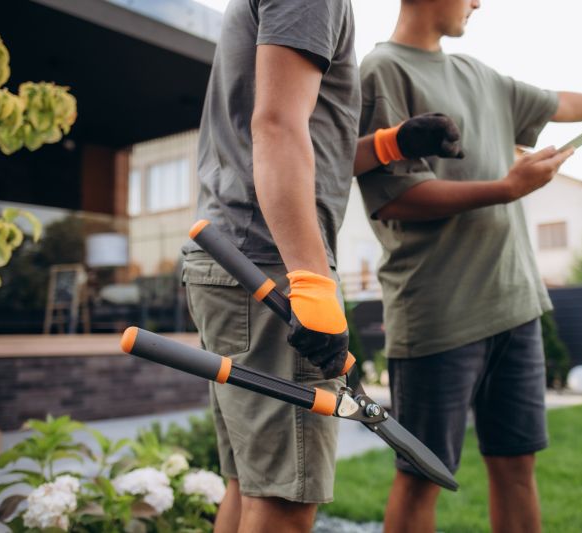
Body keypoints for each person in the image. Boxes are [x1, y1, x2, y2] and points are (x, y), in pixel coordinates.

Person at [356, 1, 582, 532]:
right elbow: (393, 198)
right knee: (421, 475)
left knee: (516, 466)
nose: (478, 3)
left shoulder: (478, 74)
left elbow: (559, 102)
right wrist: (507, 189)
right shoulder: (381, 72)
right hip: (439, 313)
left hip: (516, 305)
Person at [180, 1, 463, 531]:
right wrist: (311, 280)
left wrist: (388, 144)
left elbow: (294, 134)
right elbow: (277, 127)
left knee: (251, 484)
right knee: (284, 502)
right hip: (268, 262)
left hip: (242, 254)